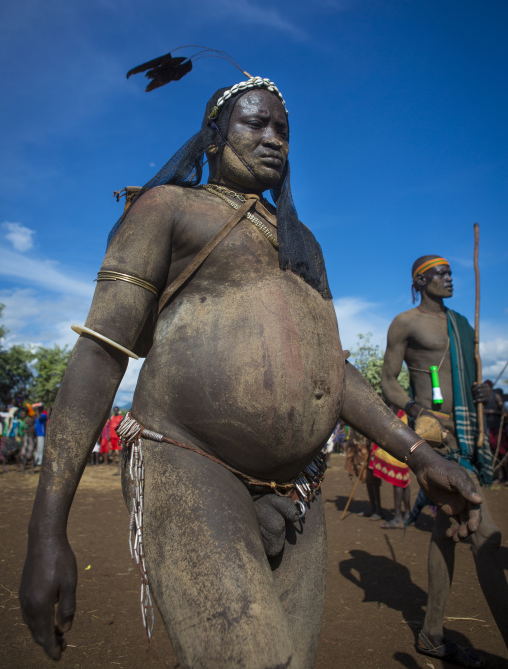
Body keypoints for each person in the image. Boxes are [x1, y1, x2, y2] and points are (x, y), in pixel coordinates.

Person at [20, 74, 483, 668]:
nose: (274, 139)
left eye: (283, 130)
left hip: (302, 488)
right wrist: (46, 530)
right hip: (191, 464)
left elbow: (332, 374)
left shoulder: (302, 243)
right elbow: (100, 353)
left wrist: (420, 455)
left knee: (292, 660)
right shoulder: (169, 208)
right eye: (255, 124)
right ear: (214, 138)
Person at [381, 254, 508, 666]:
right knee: (485, 538)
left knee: (446, 527)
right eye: (441, 274)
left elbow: (475, 378)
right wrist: (417, 412)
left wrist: (485, 392)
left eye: (452, 273)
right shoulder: (406, 323)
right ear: (420, 281)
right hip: (438, 438)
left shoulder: (463, 325)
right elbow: (387, 380)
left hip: (467, 434)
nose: (450, 279)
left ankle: (432, 633)